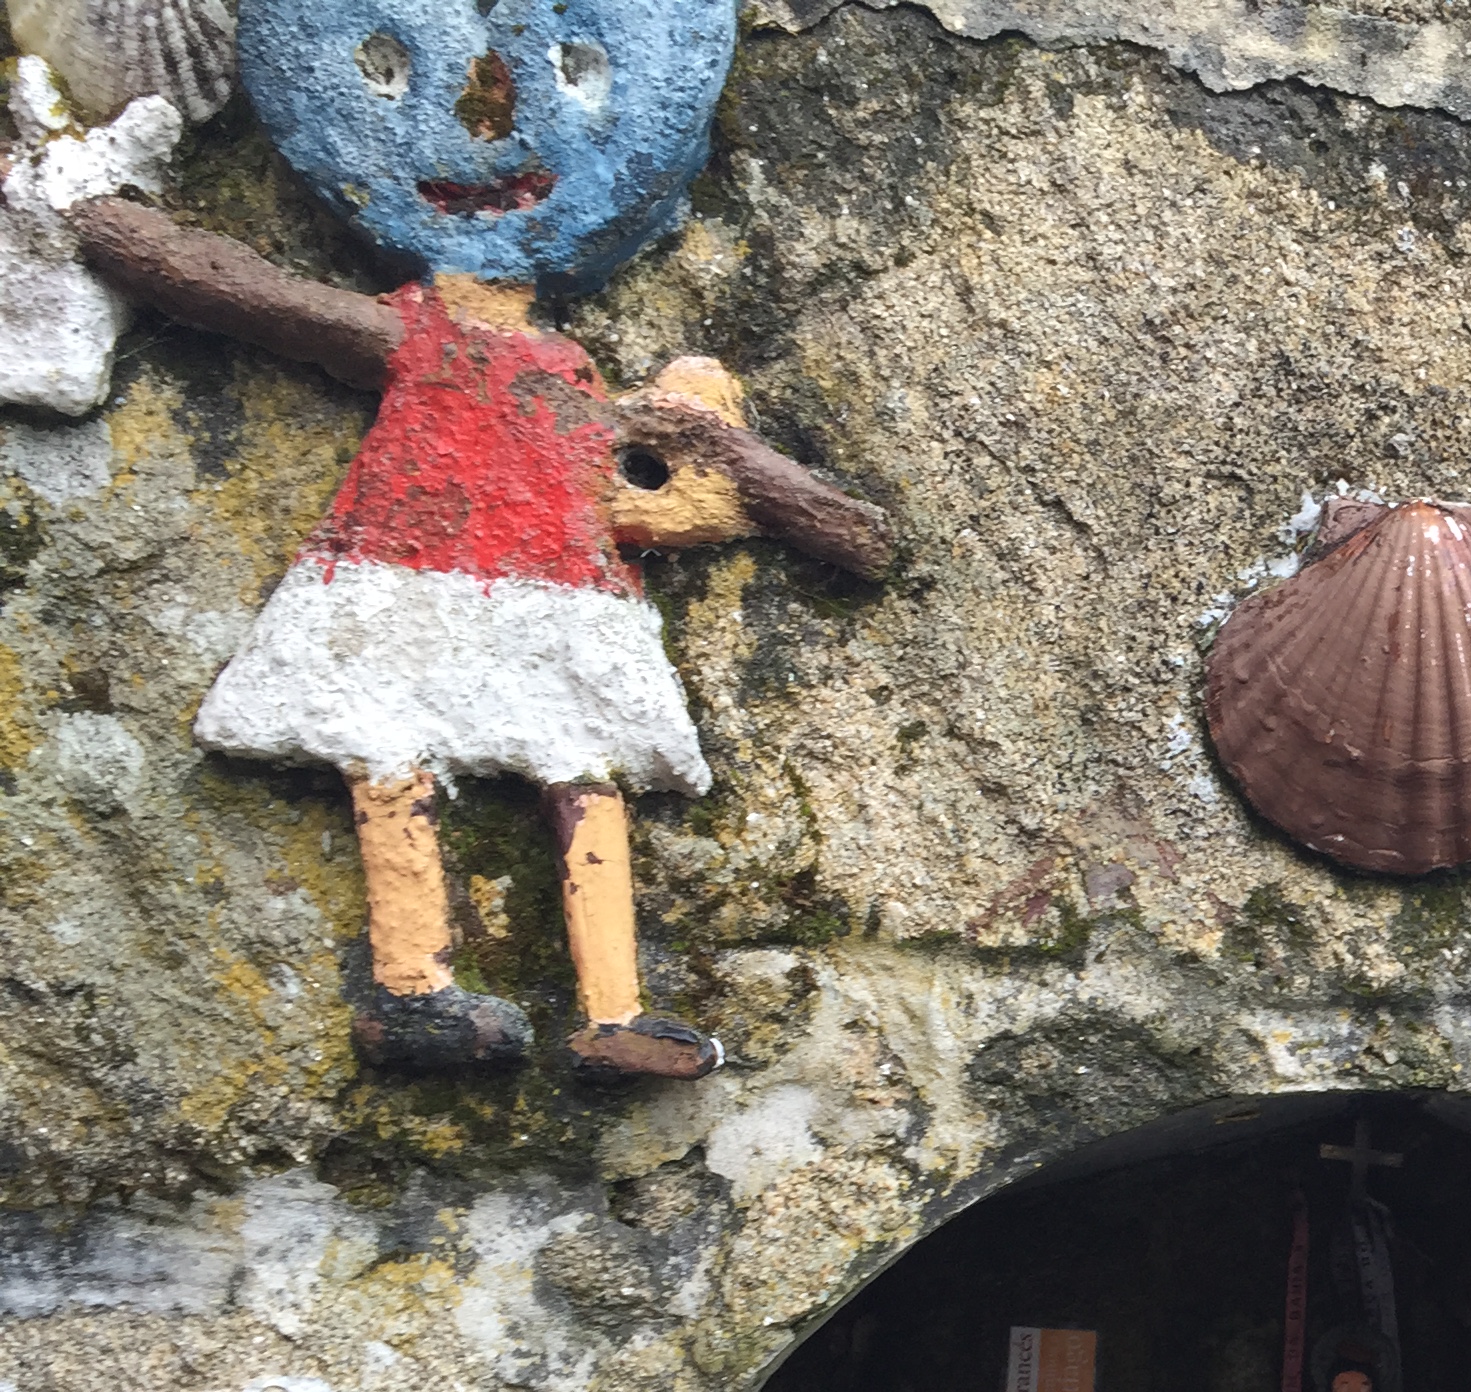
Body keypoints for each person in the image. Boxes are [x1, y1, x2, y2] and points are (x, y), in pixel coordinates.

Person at [58, 0, 884, 1077]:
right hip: (405, 571)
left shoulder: (574, 376)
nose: (486, 126)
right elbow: (266, 301)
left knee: (585, 774)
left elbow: (623, 507)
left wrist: (711, 484)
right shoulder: (417, 335)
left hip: (556, 588)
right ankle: (413, 987)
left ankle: (613, 1011)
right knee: (388, 753)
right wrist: (133, 242)